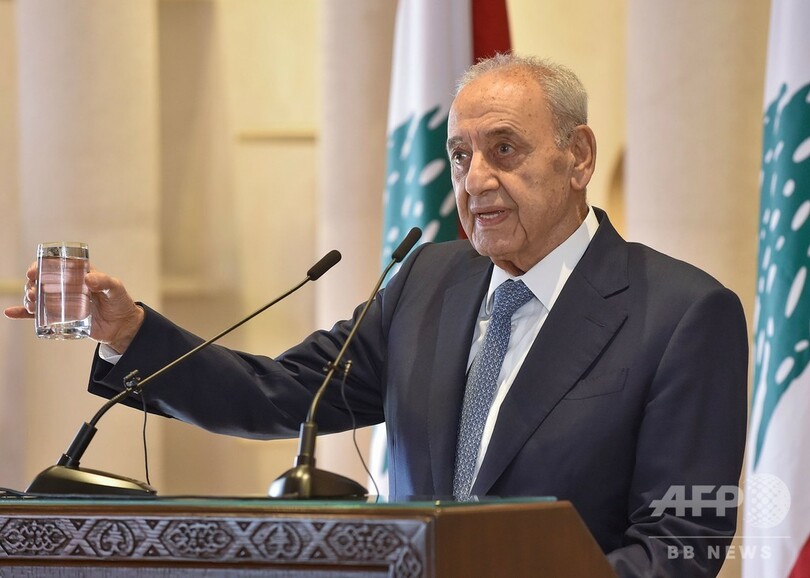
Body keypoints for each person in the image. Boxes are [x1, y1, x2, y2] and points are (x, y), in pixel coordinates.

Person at [5, 53, 748, 577]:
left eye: (504, 149)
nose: (476, 180)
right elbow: (281, 394)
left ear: (578, 156)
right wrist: (131, 333)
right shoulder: (427, 280)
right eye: (460, 156)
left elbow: (681, 545)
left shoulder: (682, 315)